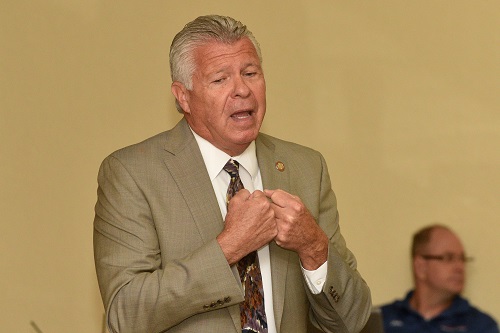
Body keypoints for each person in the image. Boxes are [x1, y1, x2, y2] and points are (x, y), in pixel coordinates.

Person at [93, 14, 371, 333]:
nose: (242, 90)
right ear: (183, 96)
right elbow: (124, 316)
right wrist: (229, 247)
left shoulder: (305, 167)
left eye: (250, 73)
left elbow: (353, 319)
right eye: (220, 79)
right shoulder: (133, 173)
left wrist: (314, 248)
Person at [381, 224, 499, 333]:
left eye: (462, 259)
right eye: (448, 258)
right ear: (420, 266)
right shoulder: (380, 319)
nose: (460, 267)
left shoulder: (480, 326)